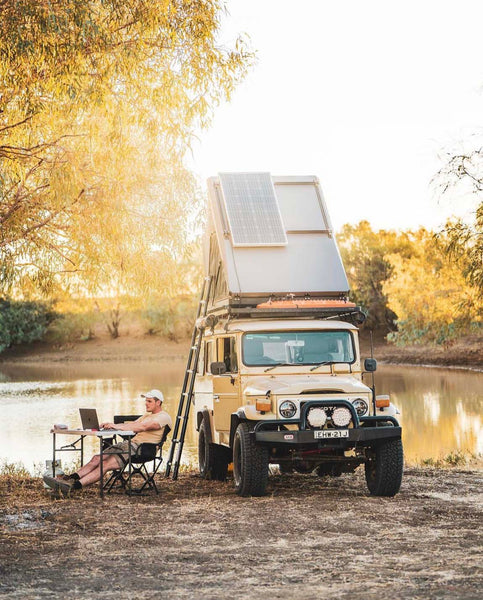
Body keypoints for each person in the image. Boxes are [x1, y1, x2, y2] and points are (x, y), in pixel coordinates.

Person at [43, 389, 172, 494]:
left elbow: (143, 427)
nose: (146, 404)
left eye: (149, 401)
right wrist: (108, 425)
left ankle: (75, 486)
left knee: (105, 465)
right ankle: (69, 479)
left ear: (158, 402)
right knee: (96, 459)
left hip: (141, 449)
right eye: (146, 401)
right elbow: (133, 424)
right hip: (128, 445)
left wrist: (117, 426)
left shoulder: (163, 417)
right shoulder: (147, 416)